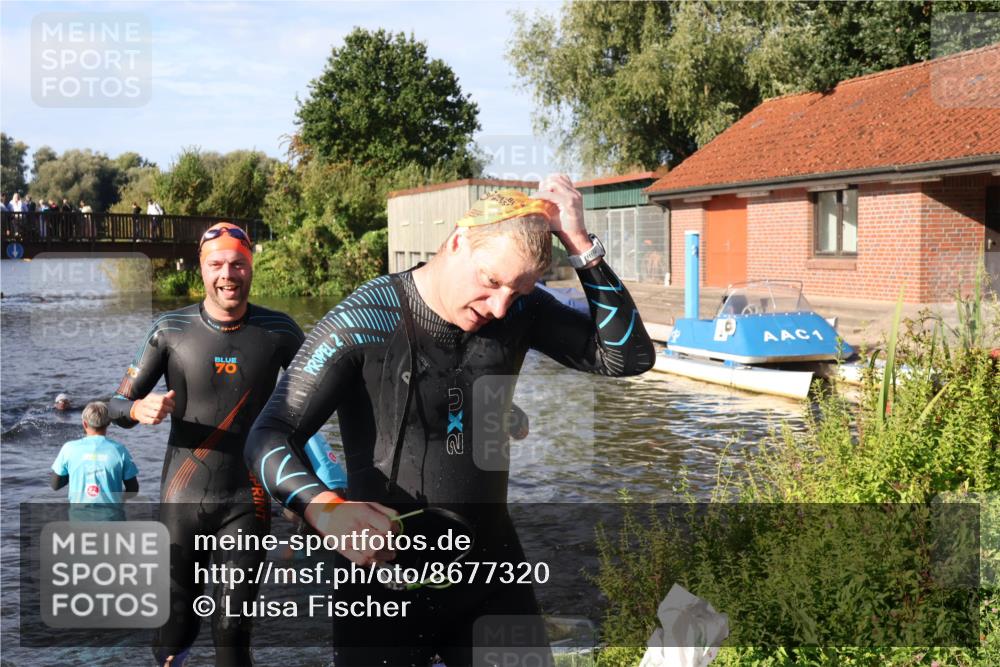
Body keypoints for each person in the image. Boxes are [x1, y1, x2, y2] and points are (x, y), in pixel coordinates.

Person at [245, 174, 655, 665]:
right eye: (491, 281)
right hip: (382, 583)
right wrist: (325, 509)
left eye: (519, 290)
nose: (499, 306)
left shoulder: (519, 310)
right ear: (458, 241)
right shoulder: (366, 318)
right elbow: (269, 435)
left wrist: (580, 244)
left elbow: (627, 358)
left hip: (492, 575)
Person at [108, 222, 304, 666]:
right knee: (175, 627)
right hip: (183, 500)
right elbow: (112, 404)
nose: (227, 275)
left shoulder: (280, 331)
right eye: (216, 264)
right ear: (201, 268)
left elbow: (321, 399)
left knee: (232, 630)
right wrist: (136, 410)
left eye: (238, 264)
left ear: (251, 266)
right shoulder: (170, 328)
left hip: (248, 499)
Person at [50, 401, 139, 522]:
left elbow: (55, 485)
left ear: (84, 423)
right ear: (108, 423)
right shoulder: (119, 450)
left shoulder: (69, 449)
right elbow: (133, 489)